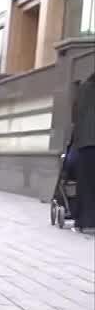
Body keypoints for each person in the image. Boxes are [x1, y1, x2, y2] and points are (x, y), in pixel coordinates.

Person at [69, 73, 95, 232]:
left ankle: (86, 222)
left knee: (86, 184)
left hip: (86, 144)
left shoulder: (83, 89)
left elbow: (75, 116)